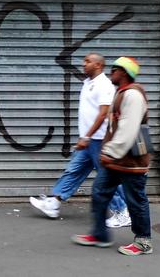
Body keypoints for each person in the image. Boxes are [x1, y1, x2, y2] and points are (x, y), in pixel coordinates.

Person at [30, 53, 130, 227]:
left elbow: (103, 113)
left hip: (98, 140)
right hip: (89, 141)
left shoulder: (104, 85)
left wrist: (87, 136)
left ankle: (122, 212)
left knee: (106, 178)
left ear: (98, 65)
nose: (84, 64)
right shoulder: (88, 83)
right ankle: (54, 203)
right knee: (74, 171)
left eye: (88, 61)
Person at [72, 57, 153, 256]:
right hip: (117, 160)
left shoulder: (133, 95)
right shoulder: (122, 93)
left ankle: (143, 242)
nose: (111, 73)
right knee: (100, 193)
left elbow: (128, 129)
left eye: (114, 70)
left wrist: (109, 152)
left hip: (131, 160)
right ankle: (100, 235)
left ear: (123, 72)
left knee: (136, 200)